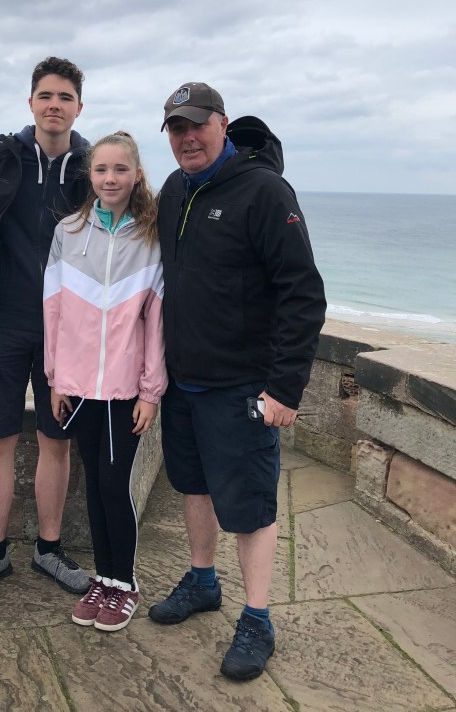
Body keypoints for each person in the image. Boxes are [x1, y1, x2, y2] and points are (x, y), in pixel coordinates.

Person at [149, 83, 326, 680]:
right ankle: (203, 581)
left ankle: (257, 619)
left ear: (222, 124)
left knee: (250, 507)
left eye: (197, 124)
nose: (187, 138)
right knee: (193, 487)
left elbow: (303, 294)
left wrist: (285, 389)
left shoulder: (265, 191)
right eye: (176, 128)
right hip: (184, 381)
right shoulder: (174, 190)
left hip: (243, 387)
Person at [0, 57, 91, 602]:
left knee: (57, 441)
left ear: (79, 107)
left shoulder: (90, 166)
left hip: (64, 329)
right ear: (30, 103)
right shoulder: (0, 157)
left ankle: (48, 549)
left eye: (65, 97)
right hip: (3, 323)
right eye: (45, 95)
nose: (55, 105)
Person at [44, 132, 167, 631]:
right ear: (89, 175)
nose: (110, 179)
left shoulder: (152, 237)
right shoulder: (68, 231)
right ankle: (104, 577)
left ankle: (125, 584)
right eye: (101, 170)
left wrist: (150, 391)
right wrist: (56, 378)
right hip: (78, 388)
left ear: (136, 174)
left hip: (124, 390)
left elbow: (156, 321)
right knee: (94, 486)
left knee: (115, 486)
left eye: (120, 169)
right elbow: (53, 309)